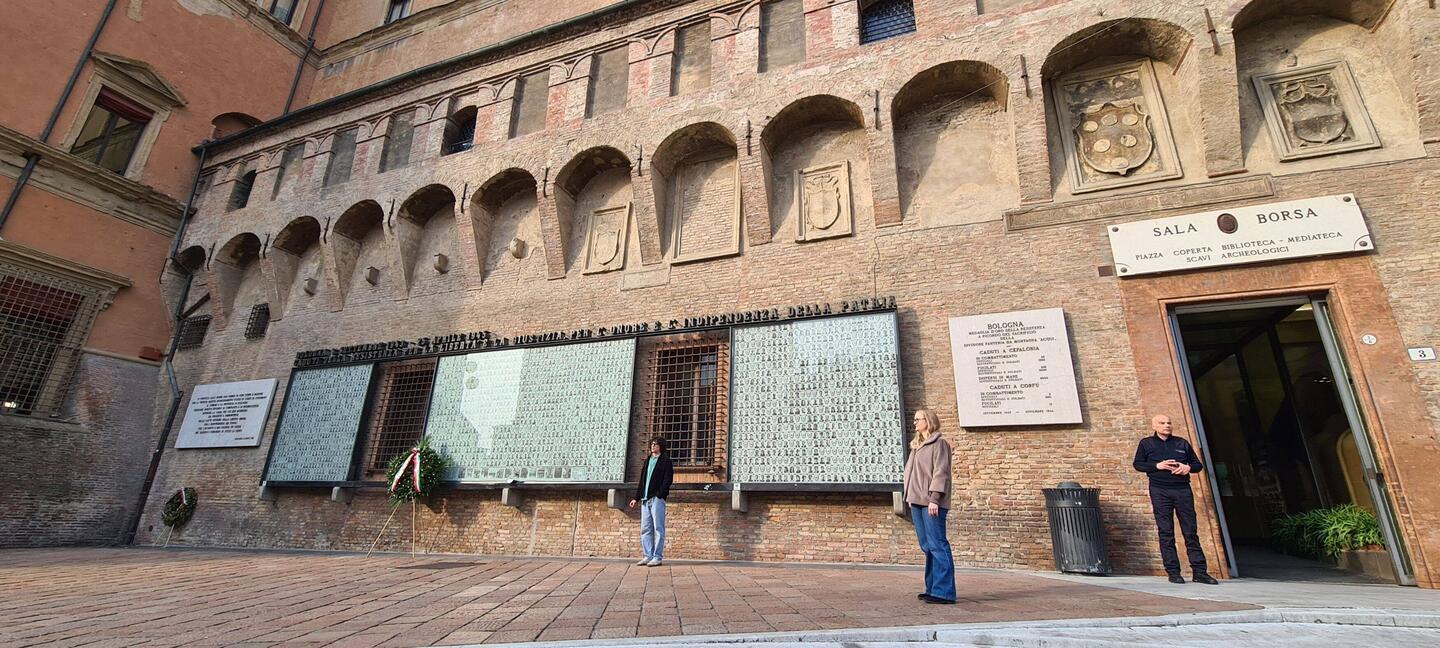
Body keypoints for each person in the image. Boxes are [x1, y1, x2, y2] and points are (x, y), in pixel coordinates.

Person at [1132, 414, 1219, 585]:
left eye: (1169, 423)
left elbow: (1198, 465)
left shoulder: (1181, 443)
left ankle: (1200, 572)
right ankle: (1173, 572)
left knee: (1190, 530)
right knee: (1166, 531)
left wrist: (1187, 467)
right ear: (1154, 426)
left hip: (1182, 490)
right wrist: (1157, 466)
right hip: (1159, 490)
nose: (1167, 425)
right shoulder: (1146, 443)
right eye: (1162, 423)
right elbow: (1138, 464)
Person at [903, 409, 956, 604]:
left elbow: (941, 472)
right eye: (914, 419)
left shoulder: (939, 444)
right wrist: (909, 495)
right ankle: (932, 588)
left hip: (932, 502)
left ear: (928, 421)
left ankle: (944, 592)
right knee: (927, 546)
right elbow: (911, 474)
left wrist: (935, 498)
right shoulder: (917, 446)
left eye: (918, 419)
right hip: (916, 501)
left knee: (937, 545)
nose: (915, 422)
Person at [629, 436, 673, 567]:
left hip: (656, 499)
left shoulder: (665, 461)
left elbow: (668, 480)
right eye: (652, 444)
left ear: (661, 446)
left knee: (658, 528)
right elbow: (642, 481)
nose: (653, 446)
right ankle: (648, 556)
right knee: (645, 529)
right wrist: (636, 498)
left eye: (656, 444)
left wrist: (660, 494)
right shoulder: (647, 461)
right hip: (645, 499)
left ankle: (657, 557)